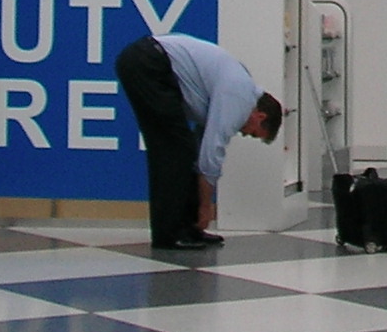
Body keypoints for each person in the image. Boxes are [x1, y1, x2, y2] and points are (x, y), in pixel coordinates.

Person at [113, 32, 282, 250]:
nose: (243, 133)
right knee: (173, 152)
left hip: (148, 60)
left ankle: (187, 229)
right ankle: (168, 234)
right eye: (252, 132)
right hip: (150, 64)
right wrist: (206, 207)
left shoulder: (238, 88)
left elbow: (203, 148)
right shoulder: (241, 97)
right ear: (260, 116)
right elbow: (212, 154)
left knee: (182, 151)